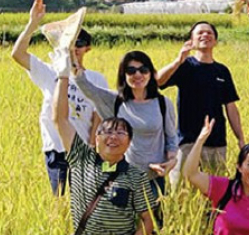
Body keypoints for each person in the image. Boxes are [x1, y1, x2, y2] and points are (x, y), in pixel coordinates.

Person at [51, 48, 156, 235]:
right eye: (106, 131)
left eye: (121, 133)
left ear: (129, 142)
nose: (113, 136)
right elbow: (59, 119)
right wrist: (63, 75)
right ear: (95, 138)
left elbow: (148, 223)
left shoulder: (135, 175)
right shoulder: (81, 157)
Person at [11, 0, 108, 195]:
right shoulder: (49, 72)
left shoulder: (96, 79)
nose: (75, 48)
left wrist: (91, 149)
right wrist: (32, 23)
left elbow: (99, 117)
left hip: (84, 151)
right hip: (56, 150)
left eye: (80, 43)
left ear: (87, 48)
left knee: (86, 204)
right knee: (60, 201)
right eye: (71, 43)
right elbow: (18, 54)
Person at [75, 50, 179, 197]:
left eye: (143, 70)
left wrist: (171, 161)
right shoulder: (116, 101)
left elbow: (171, 138)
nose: (138, 75)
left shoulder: (162, 103)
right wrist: (73, 62)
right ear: (124, 75)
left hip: (155, 179)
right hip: (123, 177)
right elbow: (88, 88)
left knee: (154, 219)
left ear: (151, 73)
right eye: (131, 71)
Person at [157, 21, 245, 187]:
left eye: (209, 33)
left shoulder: (222, 71)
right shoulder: (185, 66)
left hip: (216, 141)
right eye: (200, 33)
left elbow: (231, 108)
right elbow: (158, 81)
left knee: (214, 191)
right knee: (180, 190)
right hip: (187, 140)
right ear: (192, 41)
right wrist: (178, 60)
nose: (205, 35)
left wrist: (240, 138)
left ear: (215, 41)